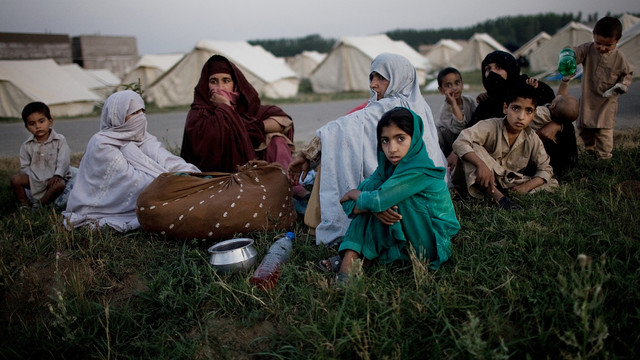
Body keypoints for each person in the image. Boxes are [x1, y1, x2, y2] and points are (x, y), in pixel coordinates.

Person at [287, 53, 448, 247]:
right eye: (372, 77)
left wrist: (308, 153)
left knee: (335, 148)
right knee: (338, 148)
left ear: (401, 78)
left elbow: (342, 127)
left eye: (381, 78)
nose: (373, 84)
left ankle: (325, 225)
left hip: (405, 184)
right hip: (414, 184)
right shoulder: (419, 105)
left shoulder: (394, 105)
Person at [329, 107, 459, 283]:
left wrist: (355, 194)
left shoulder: (418, 170)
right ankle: (352, 262)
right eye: (385, 141)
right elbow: (350, 206)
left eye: (400, 138)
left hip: (431, 240)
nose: (392, 148)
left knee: (395, 199)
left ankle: (348, 266)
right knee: (376, 196)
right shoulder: (386, 170)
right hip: (407, 237)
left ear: (415, 139)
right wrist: (373, 207)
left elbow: (372, 200)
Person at [63, 90, 200, 232]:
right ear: (117, 116)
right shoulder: (102, 144)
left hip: (163, 186)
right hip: (101, 207)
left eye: (142, 111)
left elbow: (167, 160)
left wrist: (190, 175)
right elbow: (131, 181)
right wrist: (174, 183)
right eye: (134, 113)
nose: (140, 117)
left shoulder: (143, 138)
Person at [180, 55, 308, 198]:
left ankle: (289, 185)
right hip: (223, 177)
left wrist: (254, 126)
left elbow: (283, 120)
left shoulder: (246, 107)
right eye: (213, 81)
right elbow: (211, 145)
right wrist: (225, 108)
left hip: (256, 166)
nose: (220, 87)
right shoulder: (199, 114)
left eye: (226, 81)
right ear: (205, 85)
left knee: (276, 139)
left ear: (235, 84)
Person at [452, 83, 558, 210]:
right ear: (505, 108)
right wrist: (481, 165)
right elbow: (460, 141)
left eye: (528, 111)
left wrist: (527, 186)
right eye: (516, 108)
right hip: (482, 176)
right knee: (473, 147)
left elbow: (545, 169)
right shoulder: (490, 126)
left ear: (534, 114)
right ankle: (498, 198)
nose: (521, 117)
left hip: (508, 180)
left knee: (552, 183)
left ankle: (508, 192)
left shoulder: (532, 138)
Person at [572, 16, 633, 160]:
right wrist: (569, 56)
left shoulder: (619, 57)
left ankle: (604, 157)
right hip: (588, 98)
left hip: (607, 101)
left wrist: (622, 85)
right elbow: (576, 53)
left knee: (603, 132)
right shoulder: (588, 49)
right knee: (583, 128)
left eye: (608, 45)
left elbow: (627, 74)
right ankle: (590, 150)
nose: (602, 48)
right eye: (599, 43)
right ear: (593, 36)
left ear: (616, 41)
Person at [467, 50, 555, 129]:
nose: (492, 72)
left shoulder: (533, 87)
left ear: (510, 69)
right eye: (488, 69)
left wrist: (555, 126)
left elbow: (560, 111)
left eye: (498, 67)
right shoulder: (487, 101)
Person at [11, 102, 72, 209]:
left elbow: (64, 160)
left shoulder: (60, 140)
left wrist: (58, 174)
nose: (37, 126)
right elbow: (25, 166)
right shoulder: (27, 145)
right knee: (15, 180)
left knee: (60, 184)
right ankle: (24, 205)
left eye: (41, 121)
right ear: (26, 127)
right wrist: (35, 178)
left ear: (50, 121)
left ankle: (40, 205)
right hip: (35, 178)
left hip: (54, 177)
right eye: (32, 123)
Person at [529, 77, 580, 176]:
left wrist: (531, 90)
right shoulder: (558, 115)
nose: (559, 95)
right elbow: (561, 96)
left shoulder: (542, 113)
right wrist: (564, 82)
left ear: (553, 105)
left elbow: (527, 110)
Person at [435, 67, 477, 172]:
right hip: (450, 144)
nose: (454, 88)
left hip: (467, 139)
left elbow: (477, 119)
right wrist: (454, 104)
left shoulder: (469, 101)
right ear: (441, 90)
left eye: (457, 83)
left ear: (462, 84)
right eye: (448, 85)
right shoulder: (446, 109)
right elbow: (459, 128)